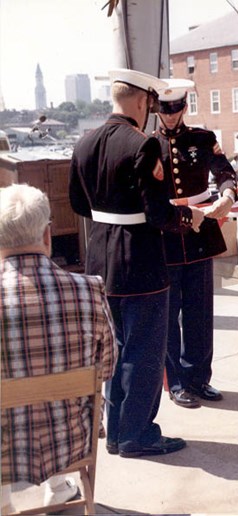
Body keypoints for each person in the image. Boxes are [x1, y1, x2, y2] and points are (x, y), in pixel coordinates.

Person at [69, 68, 204, 458]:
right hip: (140, 261)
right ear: (144, 101)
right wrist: (189, 219)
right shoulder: (143, 146)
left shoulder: (84, 143)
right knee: (144, 352)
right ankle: (136, 434)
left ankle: (115, 432)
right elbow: (159, 214)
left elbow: (79, 204)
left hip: (99, 260)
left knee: (114, 349)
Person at [0, 184, 117, 511]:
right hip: (71, 441)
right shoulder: (90, 290)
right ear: (47, 235)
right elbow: (107, 367)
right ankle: (59, 487)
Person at [154, 78, 238, 408]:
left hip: (201, 233)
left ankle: (199, 378)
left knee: (200, 311)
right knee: (169, 313)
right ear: (157, 111)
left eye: (175, 110)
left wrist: (228, 194)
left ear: (184, 108)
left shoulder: (203, 139)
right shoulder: (148, 145)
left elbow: (224, 170)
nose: (170, 116)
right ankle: (175, 383)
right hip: (168, 235)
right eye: (164, 111)